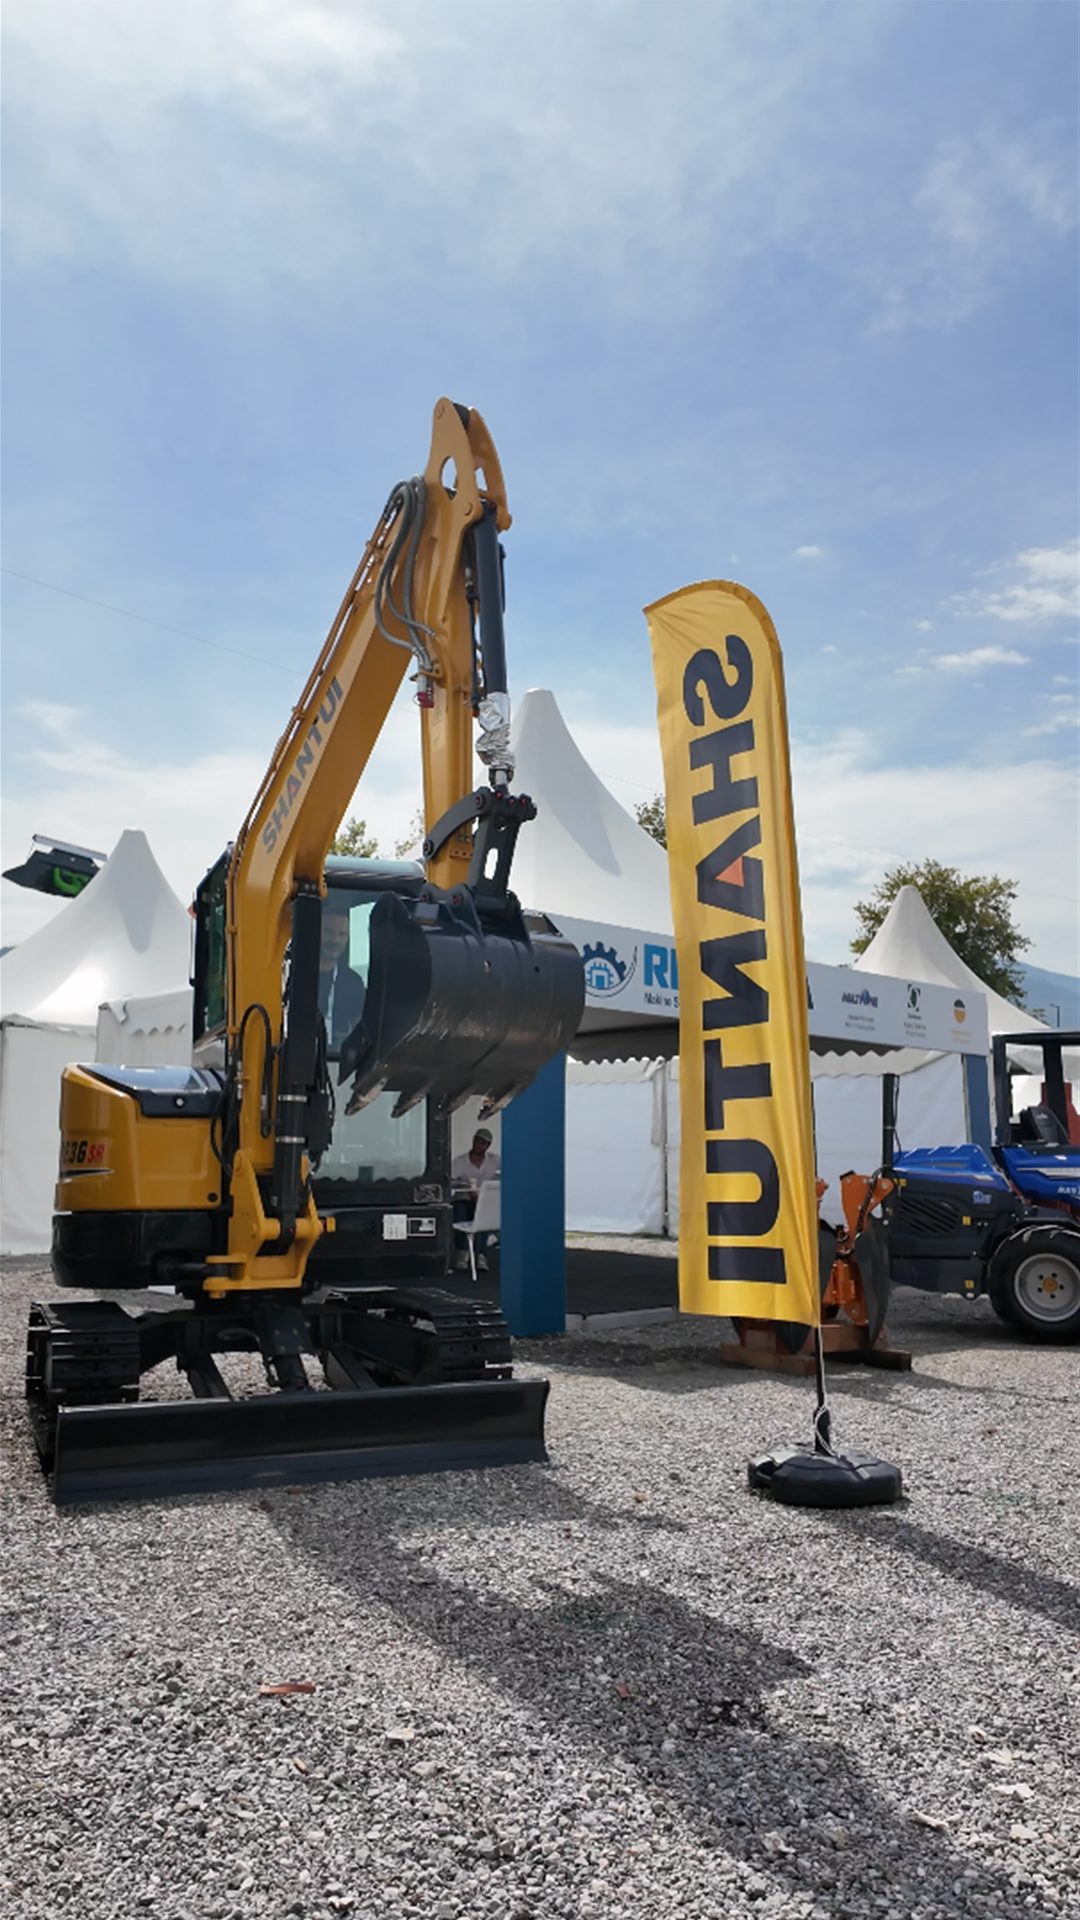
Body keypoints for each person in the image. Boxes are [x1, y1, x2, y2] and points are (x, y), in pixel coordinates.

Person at [451, 1126, 500, 1272]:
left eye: (483, 1143)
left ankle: (481, 1254)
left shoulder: (494, 1160)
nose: (479, 1145)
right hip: (464, 1196)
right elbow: (451, 1180)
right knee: (460, 1210)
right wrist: (466, 1186)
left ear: (488, 1146)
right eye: (477, 1141)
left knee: (484, 1213)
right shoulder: (460, 1162)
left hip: (484, 1199)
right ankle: (463, 1252)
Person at [318, 900, 366, 1048]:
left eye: (342, 934)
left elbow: (362, 1031)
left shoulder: (354, 982)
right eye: (329, 932)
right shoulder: (295, 975)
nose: (335, 940)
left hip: (336, 1063)